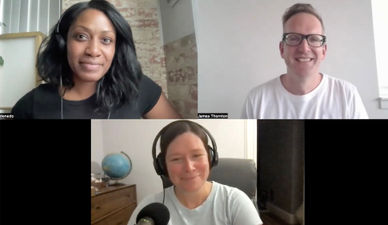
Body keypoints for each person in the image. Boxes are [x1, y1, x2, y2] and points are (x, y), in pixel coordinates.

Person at [11, 0, 181, 119]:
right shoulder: (30, 104)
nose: (93, 51)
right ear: (63, 43)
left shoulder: (139, 87)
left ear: (116, 48)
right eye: (81, 36)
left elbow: (180, 131)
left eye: (106, 40)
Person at [242, 3, 368, 119]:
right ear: (281, 49)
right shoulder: (257, 100)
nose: (304, 48)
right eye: (293, 38)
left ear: (323, 51)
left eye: (314, 39)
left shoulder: (347, 95)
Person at [128, 120, 262, 225]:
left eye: (196, 155)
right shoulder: (149, 208)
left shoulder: (234, 201)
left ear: (211, 158)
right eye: (176, 159)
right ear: (162, 166)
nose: (189, 167)